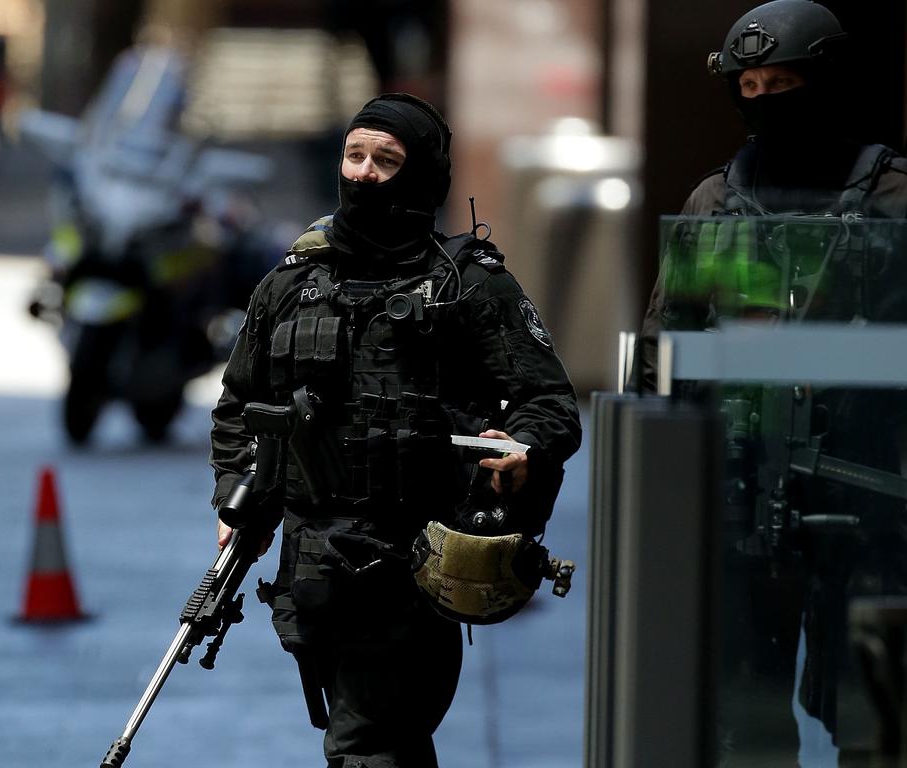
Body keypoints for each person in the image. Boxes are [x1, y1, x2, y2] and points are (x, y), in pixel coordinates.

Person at [209, 92, 582, 768]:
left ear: (424, 177)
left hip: (417, 556)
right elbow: (241, 403)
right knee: (376, 743)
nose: (364, 173)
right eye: (354, 155)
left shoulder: (467, 284)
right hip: (314, 566)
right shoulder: (292, 282)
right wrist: (236, 497)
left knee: (370, 742)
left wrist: (521, 450)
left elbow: (548, 401)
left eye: (386, 160)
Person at [630, 1, 907, 765]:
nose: (763, 102)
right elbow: (666, 350)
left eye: (781, 83)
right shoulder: (714, 204)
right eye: (747, 86)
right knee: (742, 715)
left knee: (872, 714)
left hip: (871, 492)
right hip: (745, 490)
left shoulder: (893, 199)